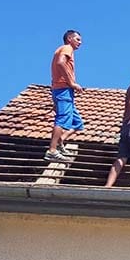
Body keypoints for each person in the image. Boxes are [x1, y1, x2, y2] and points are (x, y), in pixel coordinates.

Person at [45, 30, 84, 162]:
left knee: (77, 123)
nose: (80, 42)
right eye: (77, 39)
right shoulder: (67, 48)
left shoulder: (61, 50)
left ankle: (60, 142)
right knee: (62, 119)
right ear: (69, 39)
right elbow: (61, 63)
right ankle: (52, 151)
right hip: (64, 90)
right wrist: (71, 83)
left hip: (59, 90)